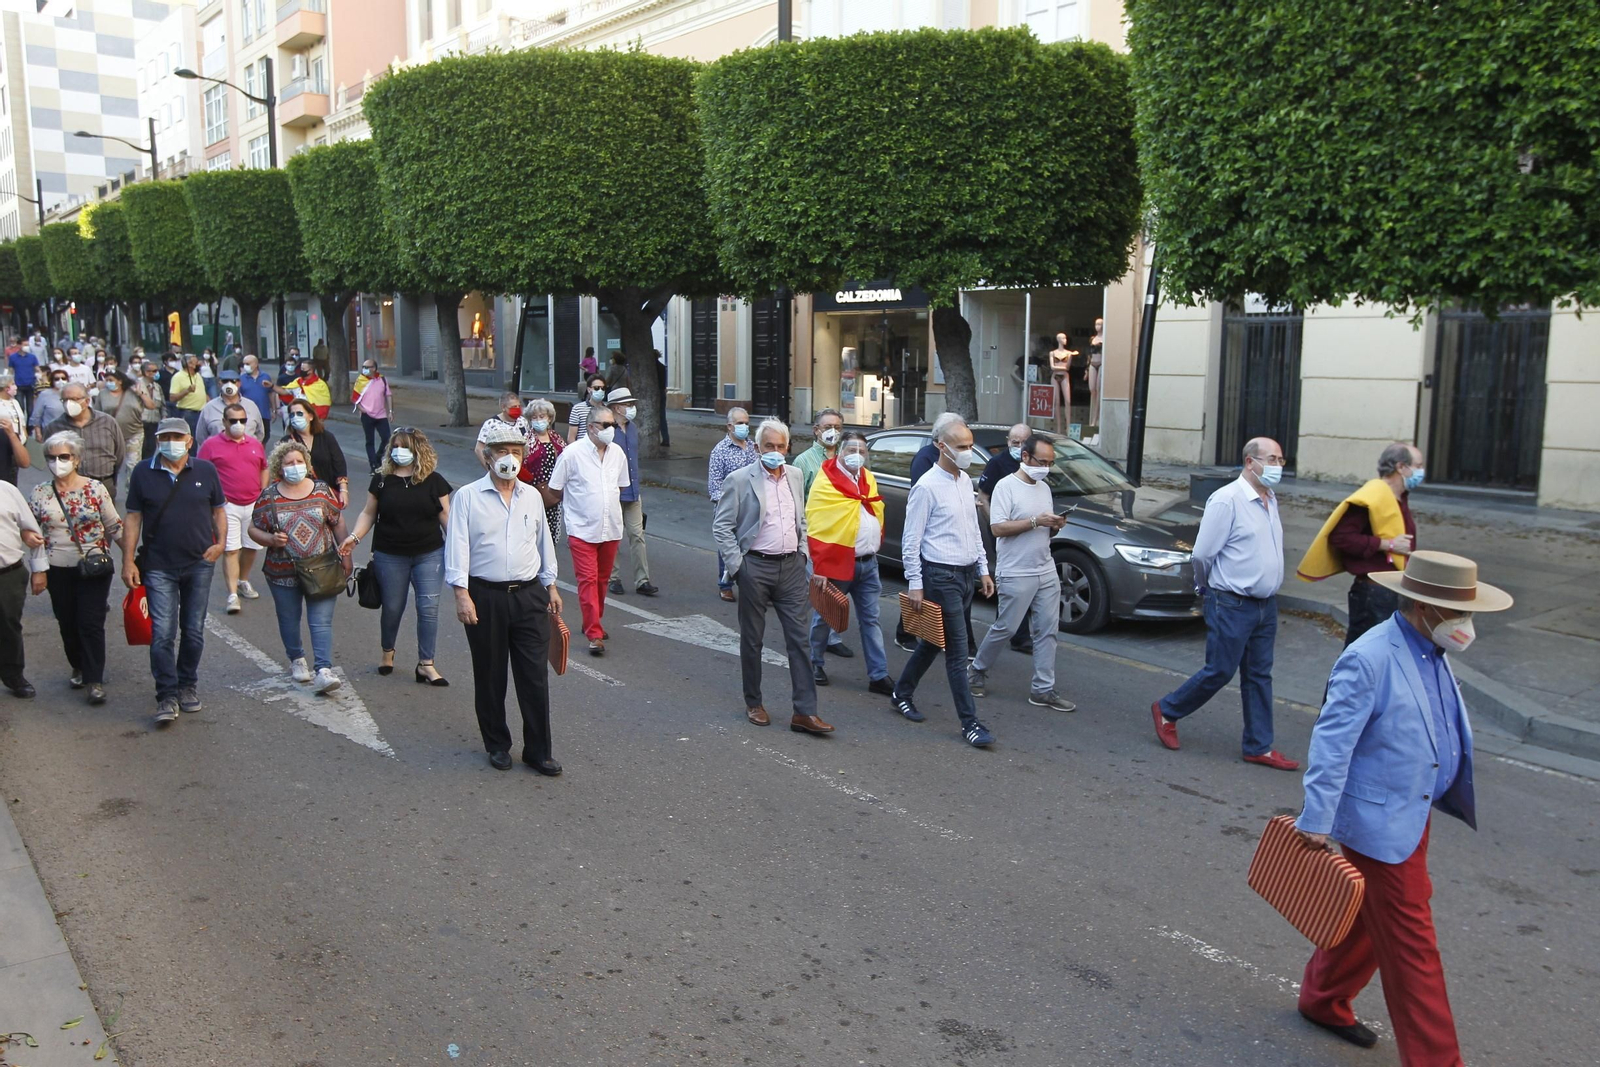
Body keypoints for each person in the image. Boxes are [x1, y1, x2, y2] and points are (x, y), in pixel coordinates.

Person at [1293, 550, 1511, 1064]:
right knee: (1414, 948)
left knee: (1373, 919)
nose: (1467, 624)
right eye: (1460, 613)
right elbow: (1331, 742)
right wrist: (1317, 819)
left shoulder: (1429, 651)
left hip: (1408, 812)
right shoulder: (1370, 656)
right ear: (1424, 607)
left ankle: (1322, 998)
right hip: (1377, 820)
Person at [1150, 437, 1298, 770]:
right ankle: (1168, 709)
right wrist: (1206, 587)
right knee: (1220, 670)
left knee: (1260, 675)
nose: (1277, 466)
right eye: (1271, 459)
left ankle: (1259, 745)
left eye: (1280, 460)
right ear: (1250, 462)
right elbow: (1202, 554)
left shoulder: (1270, 498)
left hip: (1265, 605)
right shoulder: (1227, 500)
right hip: (1232, 601)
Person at [445, 422, 564, 774]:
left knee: (533, 676)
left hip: (529, 596)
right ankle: (497, 744)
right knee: (490, 673)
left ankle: (538, 751)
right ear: (487, 457)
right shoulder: (467, 497)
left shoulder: (530, 496)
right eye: (501, 452)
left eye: (515, 452)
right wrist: (461, 594)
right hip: (485, 596)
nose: (509, 459)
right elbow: (458, 548)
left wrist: (551, 586)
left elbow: (544, 543)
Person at [713, 418, 833, 736]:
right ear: (757, 447)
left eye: (781, 446)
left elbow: (801, 519)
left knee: (799, 640)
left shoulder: (794, 475)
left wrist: (804, 552)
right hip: (755, 568)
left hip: (792, 567)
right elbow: (722, 526)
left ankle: (805, 712)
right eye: (769, 446)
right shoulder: (740, 480)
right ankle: (754, 702)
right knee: (752, 640)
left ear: (788, 447)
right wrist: (739, 568)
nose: (776, 452)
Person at [888, 413, 997, 747]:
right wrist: (916, 584)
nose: (967, 452)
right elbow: (911, 540)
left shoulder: (965, 481)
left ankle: (901, 692)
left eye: (969, 445)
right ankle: (970, 723)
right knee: (957, 650)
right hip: (940, 576)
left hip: (965, 576)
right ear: (940, 446)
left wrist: (983, 568)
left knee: (933, 643)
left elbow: (972, 529)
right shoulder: (926, 487)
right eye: (960, 446)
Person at [123, 418, 226, 726]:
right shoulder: (143, 472)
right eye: (165, 437)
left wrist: (220, 543)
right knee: (163, 634)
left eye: (177, 436)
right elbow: (133, 518)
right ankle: (166, 694)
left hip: (199, 563)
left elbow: (218, 509)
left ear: (188, 441)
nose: (171, 442)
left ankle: (186, 684)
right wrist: (128, 560)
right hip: (158, 566)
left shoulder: (205, 470)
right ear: (157, 441)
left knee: (193, 631)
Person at [968, 434, 1075, 711]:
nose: (1046, 468)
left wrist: (1053, 525)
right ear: (1025, 457)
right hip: (1016, 570)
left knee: (1047, 631)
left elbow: (1043, 527)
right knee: (1006, 627)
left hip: (1045, 567)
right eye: (1042, 461)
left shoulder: (1044, 488)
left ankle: (1043, 689)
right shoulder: (1006, 487)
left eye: (1051, 463)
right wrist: (1035, 521)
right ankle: (976, 670)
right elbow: (997, 528)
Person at [340, 428, 452, 683]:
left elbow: (446, 516)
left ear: (418, 451)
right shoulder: (381, 480)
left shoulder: (434, 481)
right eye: (395, 446)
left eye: (405, 447)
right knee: (392, 607)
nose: (398, 451)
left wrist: (461, 548)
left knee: (428, 608)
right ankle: (387, 651)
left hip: (429, 554)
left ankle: (426, 663)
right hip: (390, 554)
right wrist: (355, 537)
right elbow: (369, 513)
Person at [28, 431, 123, 705]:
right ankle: (79, 666)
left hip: (93, 566)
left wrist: (131, 559)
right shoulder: (40, 493)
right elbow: (31, 531)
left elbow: (114, 526)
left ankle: (94, 679)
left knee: (90, 622)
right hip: (57, 568)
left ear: (77, 459)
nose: (58, 462)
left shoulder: (94, 489)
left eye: (64, 456)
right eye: (52, 457)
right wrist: (37, 568)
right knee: (66, 621)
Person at [1297, 442, 1424, 647]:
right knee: (1362, 658)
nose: (1421, 471)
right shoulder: (1373, 496)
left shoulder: (1397, 497)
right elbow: (1341, 537)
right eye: (1418, 465)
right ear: (1401, 467)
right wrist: (1387, 544)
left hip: (1391, 591)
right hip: (1374, 594)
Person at [249, 440, 349, 695]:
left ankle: (324, 670)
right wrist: (270, 539)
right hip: (283, 571)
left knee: (321, 621)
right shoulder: (269, 496)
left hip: (322, 567)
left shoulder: (322, 491)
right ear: (279, 468)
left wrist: (345, 553)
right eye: (289, 463)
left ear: (307, 464)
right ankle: (297, 659)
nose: (295, 467)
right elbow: (253, 528)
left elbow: (337, 521)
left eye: (299, 462)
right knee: (289, 619)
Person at [804, 431, 894, 696]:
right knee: (824, 616)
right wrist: (819, 567)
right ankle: (814, 663)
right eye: (851, 450)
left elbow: (873, 509)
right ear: (840, 452)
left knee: (871, 619)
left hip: (868, 563)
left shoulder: (867, 478)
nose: (857, 456)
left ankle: (878, 675)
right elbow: (817, 525)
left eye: (862, 451)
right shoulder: (826, 480)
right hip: (836, 564)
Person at [546, 404, 628, 655]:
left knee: (602, 580)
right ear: (591, 427)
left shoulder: (617, 453)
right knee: (588, 580)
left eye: (613, 425)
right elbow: (554, 489)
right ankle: (594, 633)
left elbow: (621, 487)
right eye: (606, 425)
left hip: (611, 528)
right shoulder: (571, 454)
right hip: (581, 529)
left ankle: (592, 620)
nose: (611, 430)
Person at [197, 403, 269, 615]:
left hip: (253, 504)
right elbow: (200, 472)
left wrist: (262, 492)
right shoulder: (211, 445)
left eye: (242, 420)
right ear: (224, 422)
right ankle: (232, 595)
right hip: (227, 506)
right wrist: (213, 499)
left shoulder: (255, 444)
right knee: (230, 549)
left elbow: (264, 468)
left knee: (251, 547)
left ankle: (243, 580)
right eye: (233, 421)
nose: (239, 424)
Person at [974, 422, 1036, 655]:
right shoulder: (998, 463)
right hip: (1004, 533)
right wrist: (996, 524)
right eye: (1014, 442)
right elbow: (983, 497)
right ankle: (1016, 634)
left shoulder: (1034, 463)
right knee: (1012, 580)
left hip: (1029, 530)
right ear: (1008, 441)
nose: (1018, 447)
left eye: (1022, 443)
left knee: (1021, 582)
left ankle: (1008, 627)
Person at [602, 387, 657, 597]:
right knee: (614, 535)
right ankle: (613, 577)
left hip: (633, 491)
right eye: (628, 404)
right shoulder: (608, 431)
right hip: (614, 491)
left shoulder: (632, 428)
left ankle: (642, 580)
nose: (632, 408)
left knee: (637, 535)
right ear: (617, 407)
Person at [0, 478, 45, 698]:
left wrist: (39, 569)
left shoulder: (6, 490)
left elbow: (32, 530)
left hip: (7, 573)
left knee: (9, 626)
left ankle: (13, 675)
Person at [707, 406, 756, 601]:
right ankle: (725, 583)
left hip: (752, 506)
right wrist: (727, 506)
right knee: (727, 547)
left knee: (752, 547)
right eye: (739, 423)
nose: (744, 427)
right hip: (729, 507)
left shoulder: (753, 448)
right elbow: (715, 484)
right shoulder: (719, 451)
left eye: (746, 423)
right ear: (729, 426)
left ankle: (751, 584)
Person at [44, 383, 125, 492]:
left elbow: (119, 453)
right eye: (65, 400)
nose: (69, 404)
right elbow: (49, 456)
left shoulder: (107, 422)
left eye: (74, 399)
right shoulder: (54, 427)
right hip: (68, 486)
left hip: (104, 484)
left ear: (86, 401)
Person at [280, 398, 349, 509]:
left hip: (327, 497)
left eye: (299, 413)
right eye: (292, 415)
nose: (295, 417)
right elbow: (280, 471)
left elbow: (339, 464)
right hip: (300, 498)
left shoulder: (326, 437)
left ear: (310, 416)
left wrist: (343, 490)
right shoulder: (287, 442)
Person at [516, 398, 564, 542]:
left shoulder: (556, 438)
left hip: (553, 492)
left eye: (541, 416)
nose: (538, 420)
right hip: (532, 492)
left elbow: (566, 460)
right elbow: (519, 466)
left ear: (549, 418)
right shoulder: (525, 439)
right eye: (534, 417)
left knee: (551, 532)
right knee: (534, 532)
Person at [194, 370, 265, 447]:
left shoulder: (251, 406)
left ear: (239, 384)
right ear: (219, 383)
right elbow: (201, 436)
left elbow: (260, 433)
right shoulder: (209, 407)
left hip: (246, 453)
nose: (229, 384)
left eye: (233, 381)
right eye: (225, 381)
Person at [352, 357, 393, 473]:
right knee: (369, 441)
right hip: (367, 415)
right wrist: (361, 409)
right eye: (363, 367)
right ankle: (373, 464)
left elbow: (388, 395)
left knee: (387, 438)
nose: (364, 369)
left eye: (367, 367)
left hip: (381, 415)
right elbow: (355, 399)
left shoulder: (382, 380)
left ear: (374, 368)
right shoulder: (360, 381)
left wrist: (390, 411)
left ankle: (378, 456)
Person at [108, 370, 145, 484]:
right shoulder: (103, 394)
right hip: (111, 435)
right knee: (111, 464)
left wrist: (140, 394)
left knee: (132, 464)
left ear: (120, 381)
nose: (108, 383)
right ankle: (110, 488)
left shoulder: (133, 392)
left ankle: (131, 491)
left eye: (111, 380)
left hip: (134, 433)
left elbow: (151, 405)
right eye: (107, 380)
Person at [475, 391, 528, 467]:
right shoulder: (491, 424)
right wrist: (489, 468)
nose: (517, 409)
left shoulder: (523, 421)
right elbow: (479, 448)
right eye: (513, 407)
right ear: (503, 407)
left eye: (518, 406)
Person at [131, 359, 165, 461]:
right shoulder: (136, 386)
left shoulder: (157, 387)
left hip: (154, 422)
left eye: (156, 371)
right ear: (145, 372)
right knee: (140, 449)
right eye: (151, 371)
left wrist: (164, 416)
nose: (154, 373)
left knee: (150, 449)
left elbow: (162, 405)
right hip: (141, 421)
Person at [237, 354, 276, 441]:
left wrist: (274, 410)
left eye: (248, 364)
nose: (245, 366)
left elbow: (271, 393)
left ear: (256, 364)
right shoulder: (241, 379)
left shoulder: (266, 377)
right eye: (244, 364)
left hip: (264, 413)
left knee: (265, 437)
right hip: (248, 415)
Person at [0, 372, 29, 486]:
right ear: (6, 388)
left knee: (15, 470)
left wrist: (25, 436)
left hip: (19, 441)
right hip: (5, 442)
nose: (15, 387)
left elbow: (21, 420)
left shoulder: (15, 402)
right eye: (12, 384)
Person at [169, 353, 208, 434]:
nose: (199, 364)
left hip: (202, 413)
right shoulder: (178, 377)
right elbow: (172, 398)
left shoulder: (198, 375)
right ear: (190, 364)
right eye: (196, 362)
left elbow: (202, 392)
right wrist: (187, 391)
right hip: (188, 414)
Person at [566, 374, 609, 444]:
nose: (600, 391)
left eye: (603, 388)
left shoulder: (608, 410)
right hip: (583, 450)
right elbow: (571, 437)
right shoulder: (577, 409)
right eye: (597, 388)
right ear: (589, 390)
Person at [1048, 331, 1077, 436]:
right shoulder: (1052, 353)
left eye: (1065, 338)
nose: (1065, 340)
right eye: (1063, 338)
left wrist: (1061, 366)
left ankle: (1068, 428)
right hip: (1055, 376)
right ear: (1058, 340)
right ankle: (1058, 429)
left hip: (1064, 376)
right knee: (1057, 402)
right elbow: (1052, 367)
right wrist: (1062, 367)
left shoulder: (1069, 353)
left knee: (1068, 401)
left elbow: (1067, 367)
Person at [29, 369, 69, 440]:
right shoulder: (44, 395)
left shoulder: (72, 393)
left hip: (69, 432)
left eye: (63, 378)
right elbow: (36, 416)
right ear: (52, 381)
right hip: (50, 433)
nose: (60, 381)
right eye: (57, 379)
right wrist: (38, 433)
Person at [8, 338, 40, 419]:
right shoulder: (13, 357)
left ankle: (30, 427)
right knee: (20, 407)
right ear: (19, 345)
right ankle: (22, 426)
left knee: (30, 409)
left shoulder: (32, 357)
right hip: (18, 385)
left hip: (31, 385)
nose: (27, 347)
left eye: (28, 345)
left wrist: (40, 376)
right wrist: (9, 384)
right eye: (25, 345)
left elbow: (37, 369)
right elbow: (10, 371)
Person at [1087, 317, 1104, 434]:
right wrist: (1086, 370)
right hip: (1092, 364)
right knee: (1092, 390)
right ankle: (1092, 417)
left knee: (1098, 390)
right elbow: (1089, 355)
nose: (1097, 326)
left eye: (1099, 324)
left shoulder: (1105, 338)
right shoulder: (1092, 339)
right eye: (1096, 324)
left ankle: (1096, 419)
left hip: (1101, 363)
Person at [653, 348, 669, 448]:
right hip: (662, 392)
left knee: (656, 416)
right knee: (662, 416)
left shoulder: (652, 369)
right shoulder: (662, 367)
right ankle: (666, 438)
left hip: (655, 392)